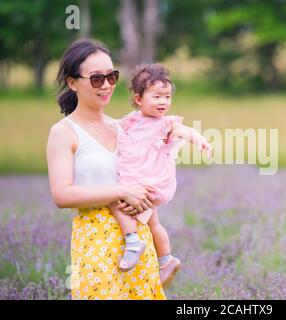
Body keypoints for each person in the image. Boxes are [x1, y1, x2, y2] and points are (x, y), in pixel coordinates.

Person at [46, 38, 165, 299]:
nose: (107, 85)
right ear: (72, 82)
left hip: (137, 243)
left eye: (112, 76)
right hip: (95, 243)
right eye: (97, 79)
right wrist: (121, 191)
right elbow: (61, 195)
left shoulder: (124, 128)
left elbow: (146, 175)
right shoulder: (64, 133)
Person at [110, 63, 212, 289]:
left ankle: (132, 241)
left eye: (167, 96)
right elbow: (111, 128)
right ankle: (166, 259)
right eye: (157, 96)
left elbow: (184, 131)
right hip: (137, 179)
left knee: (117, 202)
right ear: (138, 99)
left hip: (150, 182)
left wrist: (200, 140)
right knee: (154, 222)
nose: (163, 101)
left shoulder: (166, 123)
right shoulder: (132, 121)